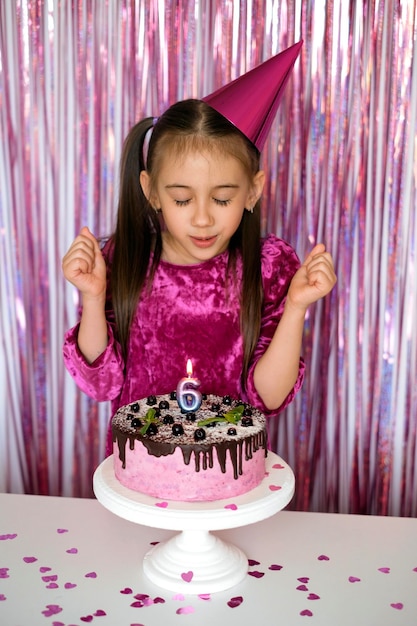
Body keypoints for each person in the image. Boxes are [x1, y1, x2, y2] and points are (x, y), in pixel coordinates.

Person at [62, 42, 336, 455]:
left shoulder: (268, 268)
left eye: (223, 199)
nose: (204, 219)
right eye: (182, 199)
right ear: (151, 191)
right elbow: (100, 385)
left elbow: (271, 398)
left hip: (228, 481)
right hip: (140, 481)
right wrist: (93, 295)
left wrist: (296, 306)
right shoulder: (122, 260)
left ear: (252, 191)